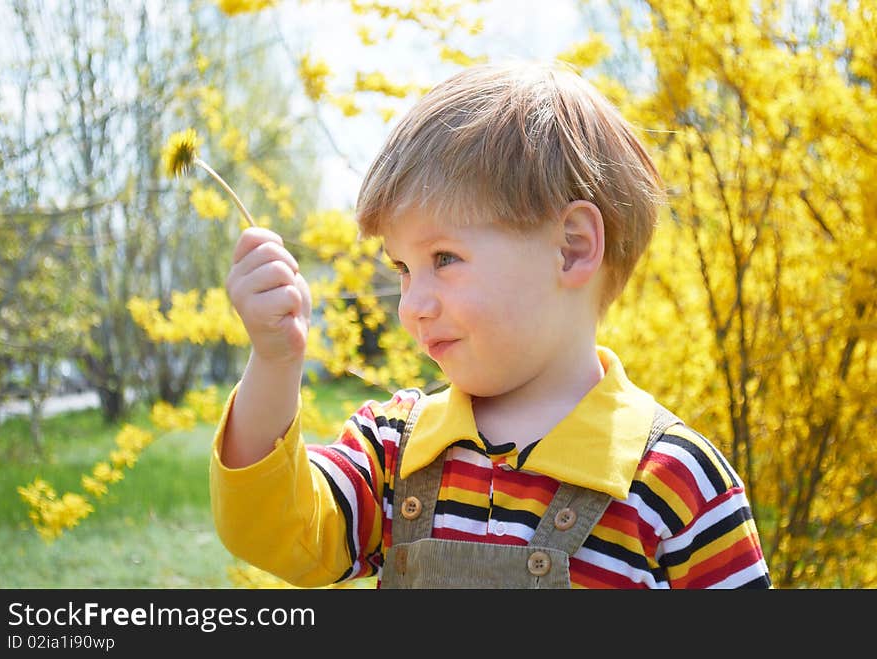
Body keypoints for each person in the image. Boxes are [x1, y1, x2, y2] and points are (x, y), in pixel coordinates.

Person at [209, 60, 772, 589]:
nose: (411, 306)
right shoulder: (398, 453)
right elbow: (275, 531)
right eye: (403, 269)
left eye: (444, 259)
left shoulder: (675, 484)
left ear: (571, 249)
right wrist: (277, 362)